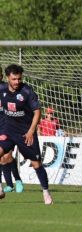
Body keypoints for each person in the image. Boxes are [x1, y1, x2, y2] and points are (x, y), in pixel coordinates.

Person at [0, 64, 53, 205]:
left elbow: (37, 112)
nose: (17, 82)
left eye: (19, 79)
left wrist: (31, 131)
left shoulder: (27, 91)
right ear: (7, 78)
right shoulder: (2, 89)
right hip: (8, 131)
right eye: (14, 79)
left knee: (36, 164)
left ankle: (46, 192)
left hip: (25, 133)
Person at [0, 66, 24, 196]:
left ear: (1, 76)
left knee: (6, 156)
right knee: (2, 159)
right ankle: (9, 185)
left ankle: (18, 181)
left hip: (8, 127)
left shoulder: (6, 89)